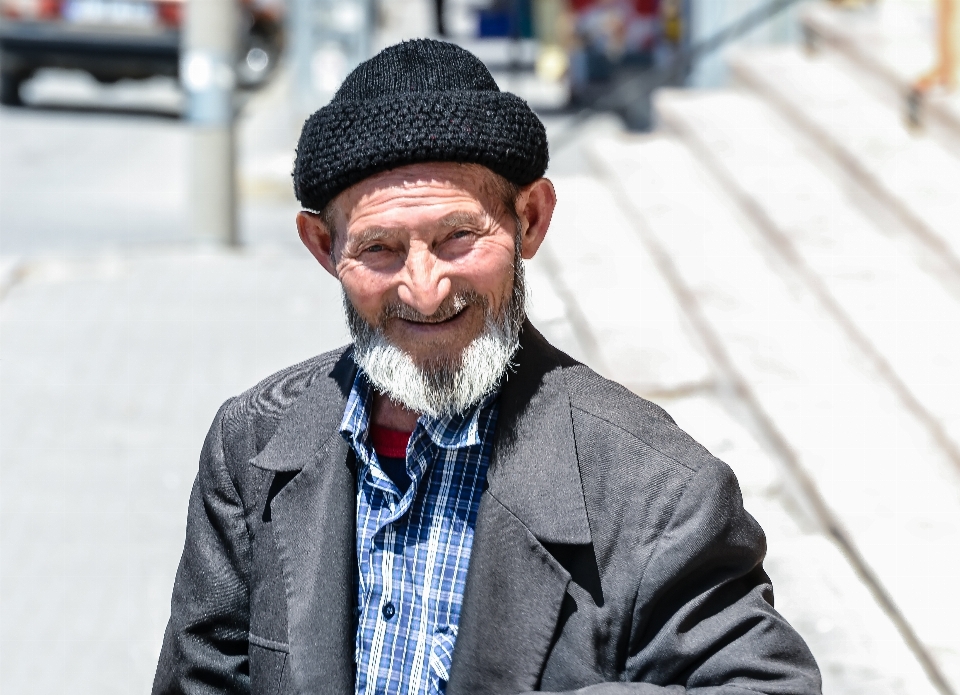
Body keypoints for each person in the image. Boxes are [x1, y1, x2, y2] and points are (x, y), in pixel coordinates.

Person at [152, 39, 821, 695]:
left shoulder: (658, 491)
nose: (424, 287)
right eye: (379, 249)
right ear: (323, 247)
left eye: (457, 238)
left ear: (530, 219)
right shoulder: (252, 444)